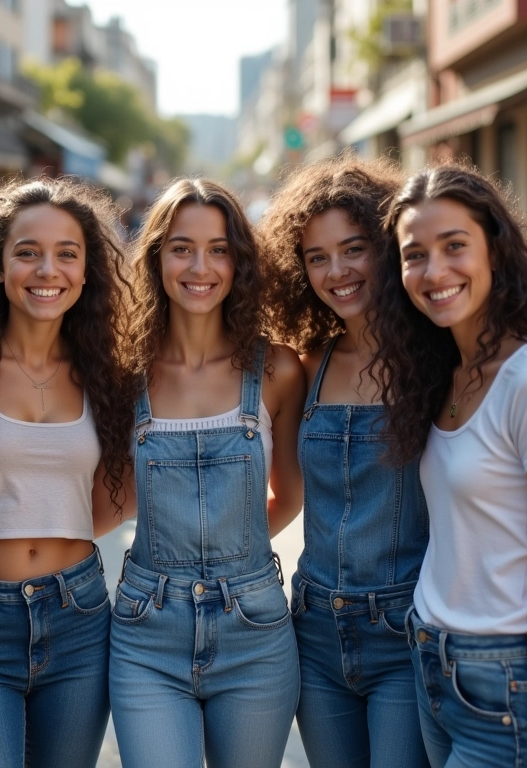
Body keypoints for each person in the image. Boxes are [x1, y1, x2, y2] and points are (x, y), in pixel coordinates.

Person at [0, 177, 133, 768]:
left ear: (86, 270)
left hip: (78, 616)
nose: (47, 270)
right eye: (27, 252)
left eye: (66, 254)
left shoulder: (109, 373)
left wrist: (52, 532)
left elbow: (107, 504)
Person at [109, 178, 306, 768]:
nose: (201, 266)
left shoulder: (276, 369)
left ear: (239, 261)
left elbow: (290, 496)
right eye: (181, 247)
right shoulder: (125, 373)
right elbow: (99, 503)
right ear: (156, 258)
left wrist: (230, 562)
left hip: (255, 632)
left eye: (219, 248)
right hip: (147, 632)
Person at [373, 164, 527, 767]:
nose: (435, 272)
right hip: (430, 658)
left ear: (495, 252)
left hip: (504, 680)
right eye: (414, 255)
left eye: (455, 246)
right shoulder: (440, 370)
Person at [258, 154, 430, 768]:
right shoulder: (309, 364)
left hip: (407, 631)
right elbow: (287, 491)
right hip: (315, 629)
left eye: (353, 249)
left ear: (387, 244)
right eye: (316, 257)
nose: (337, 272)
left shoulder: (434, 362)